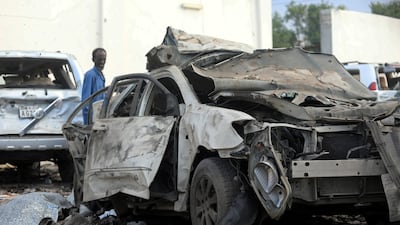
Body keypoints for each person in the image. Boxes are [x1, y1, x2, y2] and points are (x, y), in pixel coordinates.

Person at [82, 48, 107, 124]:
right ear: (93, 59)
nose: (102, 62)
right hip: (92, 119)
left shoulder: (101, 75)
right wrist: (89, 121)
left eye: (104, 60)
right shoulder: (90, 75)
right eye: (99, 60)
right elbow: (86, 100)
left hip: (99, 116)